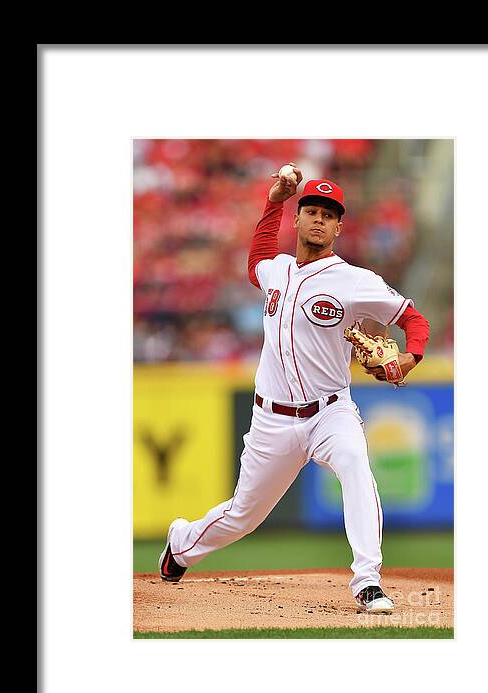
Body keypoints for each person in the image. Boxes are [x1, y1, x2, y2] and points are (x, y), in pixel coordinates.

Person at [158, 164, 430, 613]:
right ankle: (182, 543)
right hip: (272, 419)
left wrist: (410, 356)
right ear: (299, 219)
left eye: (329, 213)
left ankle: (367, 581)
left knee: (356, 464)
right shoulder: (276, 271)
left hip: (330, 412)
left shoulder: (355, 281)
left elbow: (413, 319)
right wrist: (275, 200)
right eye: (313, 210)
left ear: (339, 227)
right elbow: (256, 260)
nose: (320, 218)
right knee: (244, 515)